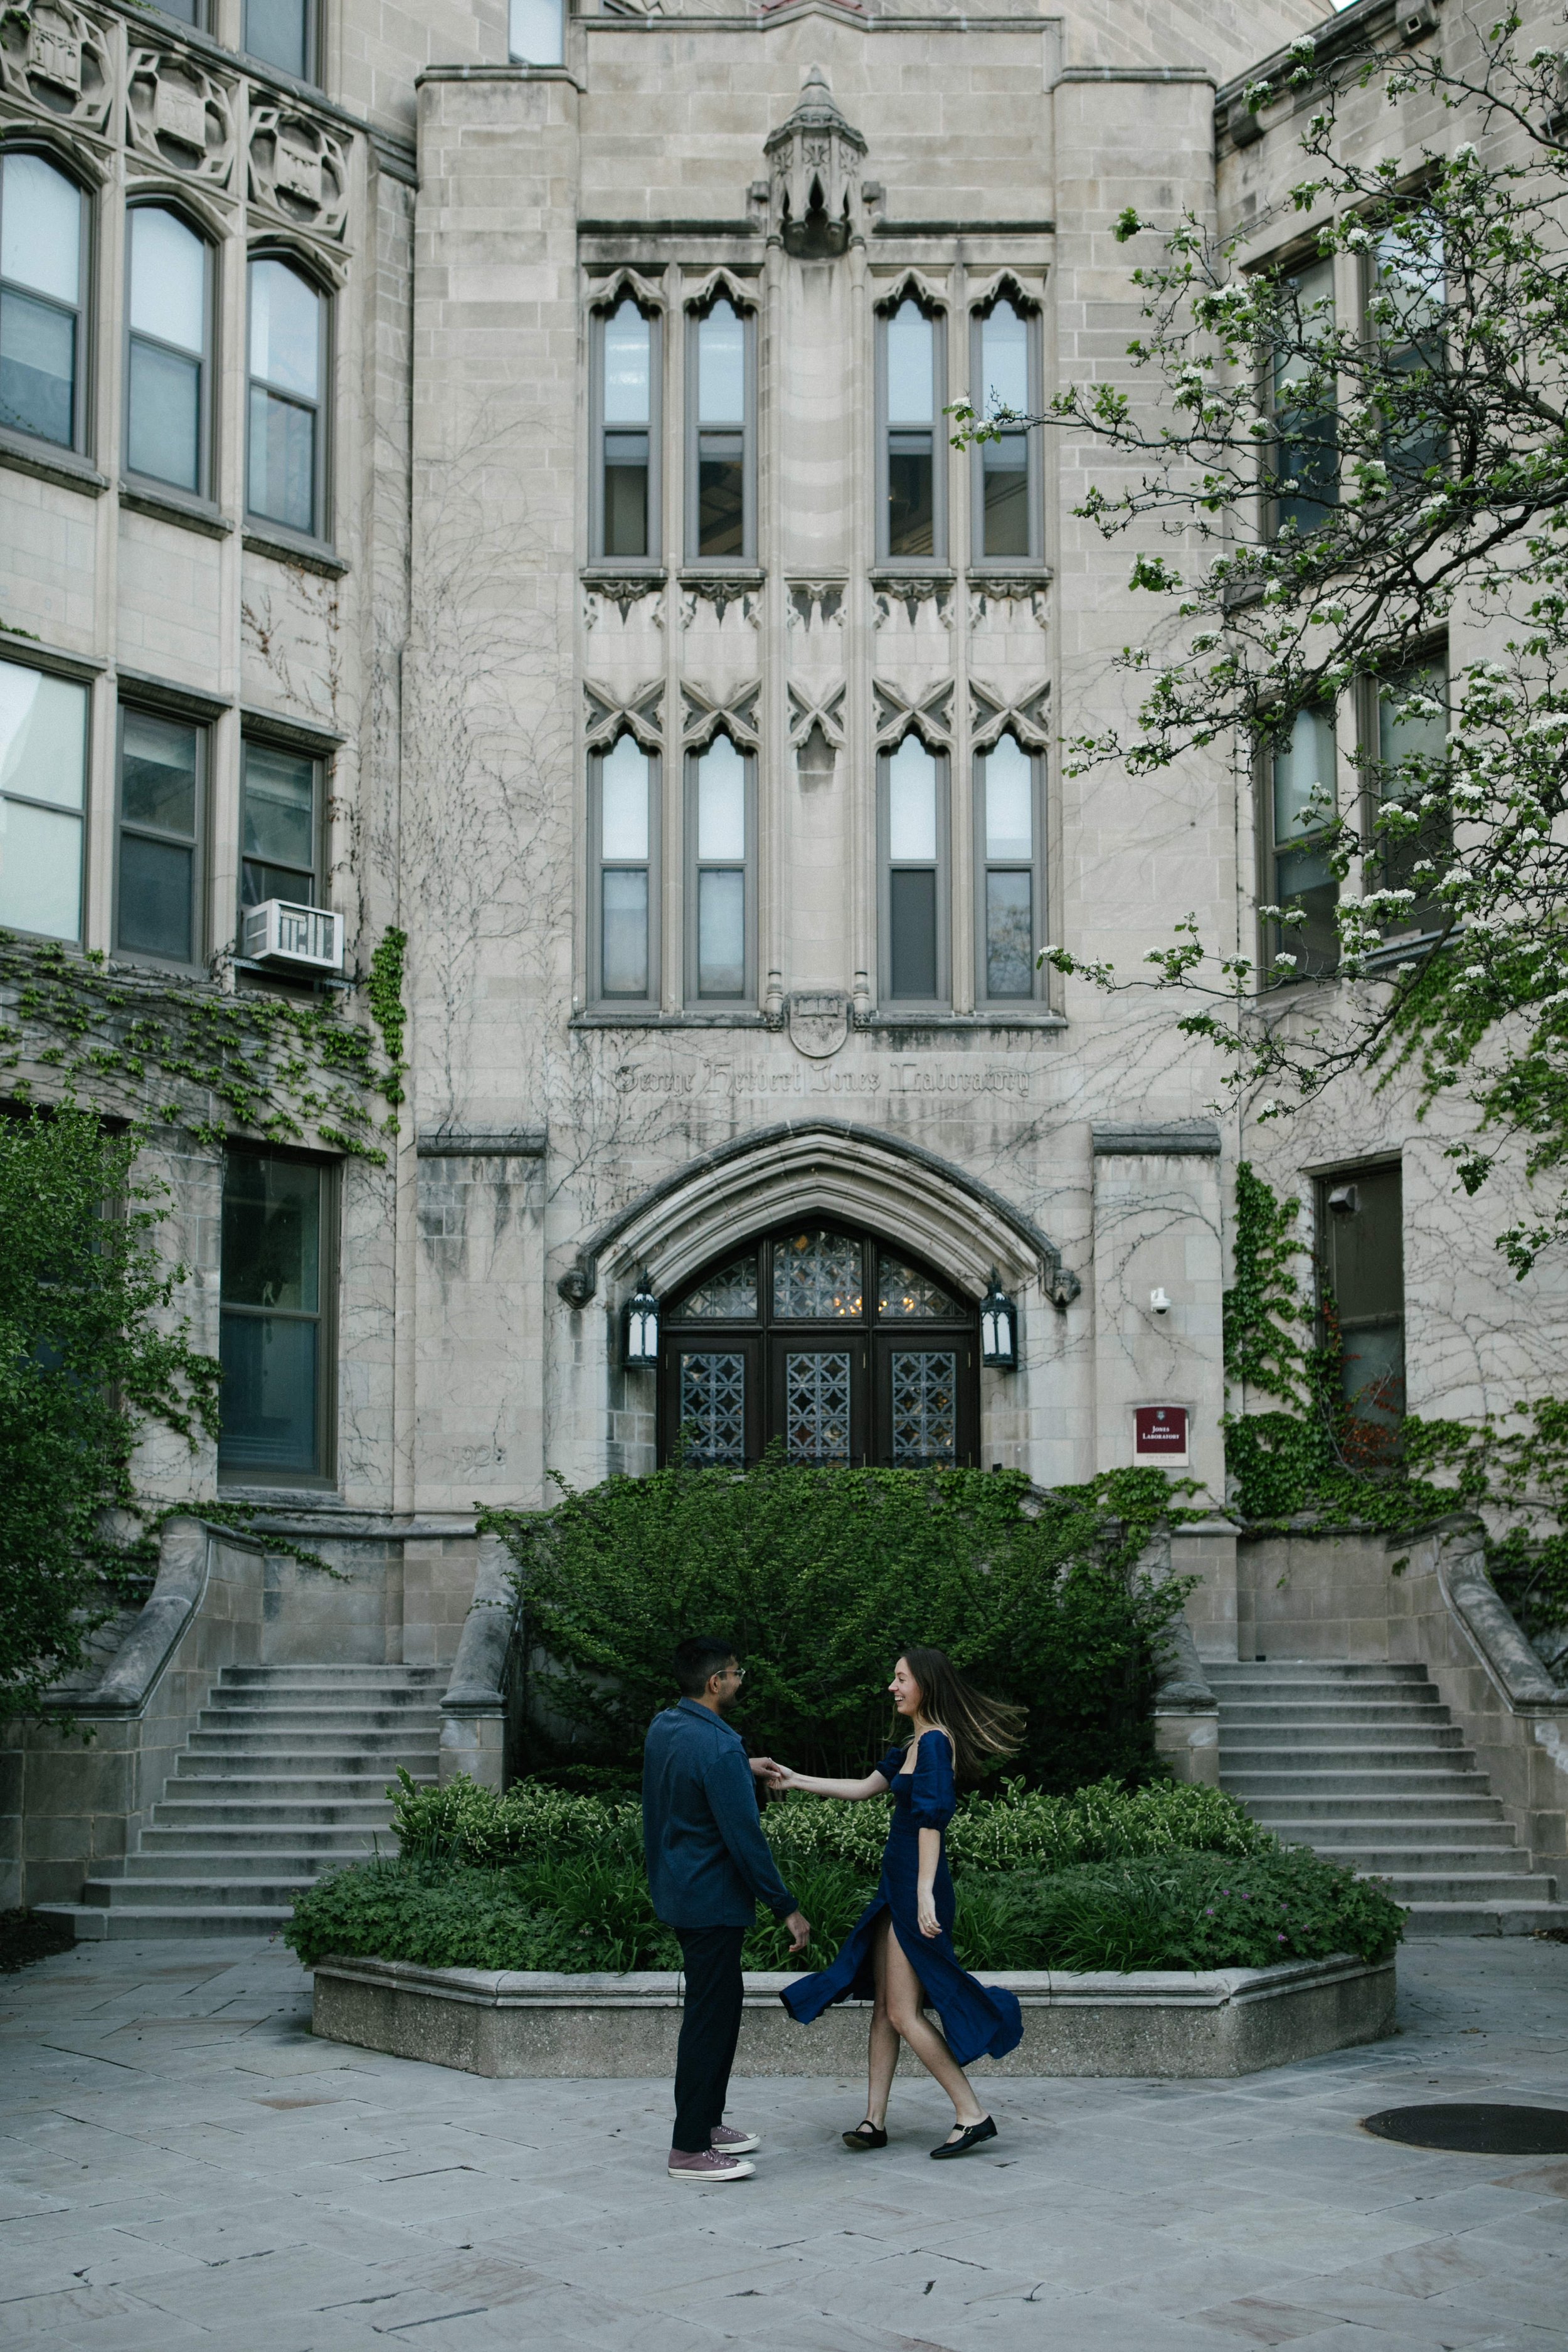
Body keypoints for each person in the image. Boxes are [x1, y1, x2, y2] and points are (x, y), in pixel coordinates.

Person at [764, 1647, 1025, 2158]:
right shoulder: (913, 1743)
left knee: (903, 2012)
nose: (893, 1687)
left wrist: (924, 1892)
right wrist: (796, 1780)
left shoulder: (933, 1745)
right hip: (899, 1885)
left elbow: (932, 1821)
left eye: (901, 1678)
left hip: (914, 1888)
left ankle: (972, 2114)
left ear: (926, 1684)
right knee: (885, 2009)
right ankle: (873, 2121)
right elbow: (865, 1788)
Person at [642, 1634, 812, 2182]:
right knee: (709, 2024)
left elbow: (692, 1779)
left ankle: (707, 2123)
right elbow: (745, 1840)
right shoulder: (718, 1750)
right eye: (737, 1673)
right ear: (717, 1682)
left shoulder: (668, 1726)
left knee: (718, 2012)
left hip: (680, 1890)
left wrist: (742, 1766)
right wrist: (787, 1907)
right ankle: (690, 2149)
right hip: (711, 1900)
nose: (741, 1680)